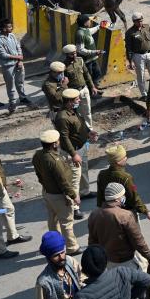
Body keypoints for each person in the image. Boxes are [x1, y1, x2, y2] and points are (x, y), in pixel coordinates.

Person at [87, 183, 150, 299]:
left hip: (109, 263)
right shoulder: (125, 215)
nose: (124, 198)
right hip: (128, 261)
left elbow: (92, 242)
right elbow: (139, 242)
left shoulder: (94, 215)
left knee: (119, 293)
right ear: (117, 198)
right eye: (123, 195)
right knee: (140, 293)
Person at [72, 245, 150, 299]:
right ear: (106, 261)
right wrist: (128, 297)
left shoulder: (81, 298)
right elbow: (147, 280)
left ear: (85, 269)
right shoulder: (121, 272)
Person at [33, 129, 82, 255]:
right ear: (54, 144)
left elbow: (39, 173)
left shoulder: (38, 154)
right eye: (58, 140)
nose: (59, 142)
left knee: (53, 218)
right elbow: (63, 181)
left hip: (47, 192)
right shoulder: (54, 161)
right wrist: (74, 195)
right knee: (66, 222)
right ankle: (71, 247)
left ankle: (55, 242)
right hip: (59, 195)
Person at [54, 88, 98, 219]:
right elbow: (64, 138)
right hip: (72, 151)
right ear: (69, 102)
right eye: (76, 99)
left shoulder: (73, 111)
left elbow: (80, 124)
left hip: (81, 146)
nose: (79, 100)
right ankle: (73, 208)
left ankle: (84, 192)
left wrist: (89, 133)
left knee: (83, 171)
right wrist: (73, 154)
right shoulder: (62, 117)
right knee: (73, 179)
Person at [96, 145, 150, 225]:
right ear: (118, 162)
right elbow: (134, 198)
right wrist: (147, 212)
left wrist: (101, 211)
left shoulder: (101, 174)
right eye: (124, 157)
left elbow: (100, 196)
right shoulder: (126, 177)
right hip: (127, 213)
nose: (126, 158)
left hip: (110, 213)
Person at [35, 231, 85, 299]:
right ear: (49, 257)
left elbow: (82, 278)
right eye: (56, 255)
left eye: (62, 252)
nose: (61, 257)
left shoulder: (70, 261)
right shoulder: (43, 282)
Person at [0, 19, 30, 114]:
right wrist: (17, 57)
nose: (11, 28)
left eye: (11, 26)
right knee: (10, 85)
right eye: (9, 27)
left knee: (20, 81)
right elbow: (3, 55)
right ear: (3, 29)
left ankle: (23, 98)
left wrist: (20, 60)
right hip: (8, 65)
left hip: (18, 63)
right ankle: (12, 102)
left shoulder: (12, 35)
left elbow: (18, 46)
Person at [125, 12, 150, 107]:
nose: (140, 23)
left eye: (141, 20)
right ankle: (144, 95)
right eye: (137, 21)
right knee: (141, 76)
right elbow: (128, 48)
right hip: (138, 56)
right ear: (133, 22)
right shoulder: (129, 32)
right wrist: (130, 61)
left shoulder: (148, 27)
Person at [62, 44, 98, 130]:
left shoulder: (80, 61)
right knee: (77, 113)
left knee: (87, 111)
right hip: (73, 94)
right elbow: (63, 83)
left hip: (84, 89)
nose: (74, 55)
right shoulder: (63, 66)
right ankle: (80, 130)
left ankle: (90, 129)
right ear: (67, 55)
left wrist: (92, 87)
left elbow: (86, 74)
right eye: (72, 54)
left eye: (75, 53)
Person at [75, 15, 104, 86]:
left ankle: (96, 88)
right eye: (89, 21)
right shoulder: (80, 34)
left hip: (93, 58)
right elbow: (80, 50)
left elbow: (91, 31)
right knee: (89, 77)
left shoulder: (85, 30)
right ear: (85, 23)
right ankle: (92, 92)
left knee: (97, 74)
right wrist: (94, 52)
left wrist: (99, 26)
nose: (90, 22)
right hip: (87, 60)